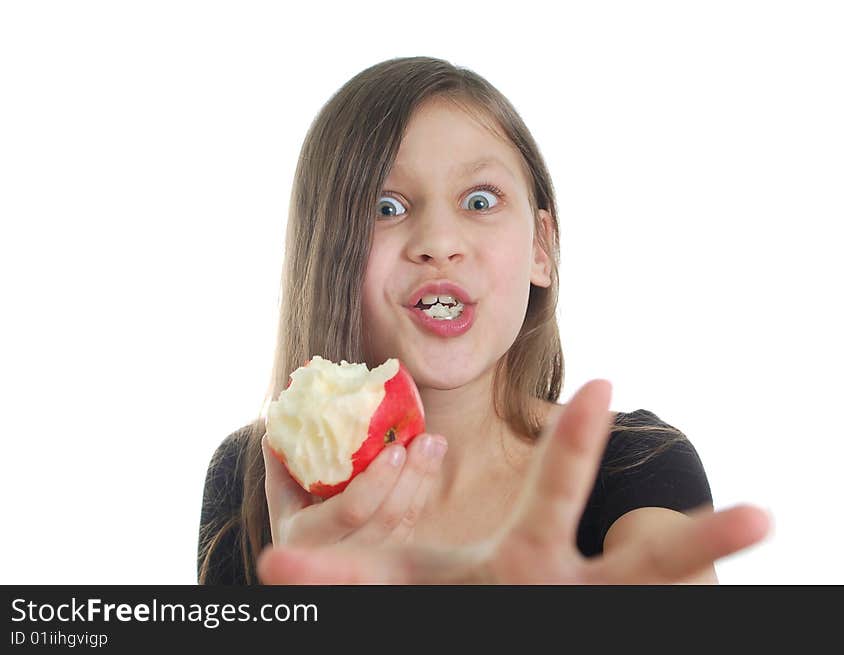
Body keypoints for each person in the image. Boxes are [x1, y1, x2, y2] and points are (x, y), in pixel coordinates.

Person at [197, 56, 771, 585]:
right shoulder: (248, 481)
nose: (440, 243)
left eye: (479, 201)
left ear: (541, 248)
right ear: (328, 257)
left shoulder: (637, 463)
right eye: (385, 207)